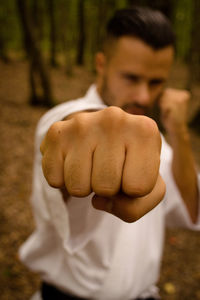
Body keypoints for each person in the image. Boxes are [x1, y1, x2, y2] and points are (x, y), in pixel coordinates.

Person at [20, 6, 200, 300]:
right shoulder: (62, 120)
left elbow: (192, 211)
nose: (143, 96)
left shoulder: (159, 143)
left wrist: (178, 132)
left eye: (156, 82)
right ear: (101, 64)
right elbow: (77, 127)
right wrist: (84, 130)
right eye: (131, 77)